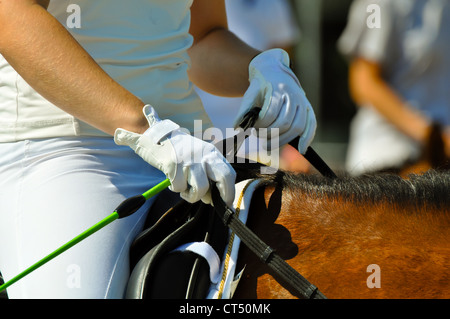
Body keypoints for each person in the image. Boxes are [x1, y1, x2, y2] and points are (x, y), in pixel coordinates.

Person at [0, 0, 316, 298]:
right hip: (69, 153)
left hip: (194, 151)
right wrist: (146, 128)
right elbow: (12, 15)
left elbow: (202, 38)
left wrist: (260, 68)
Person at [196, 0, 312, 172]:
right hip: (193, 145)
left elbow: (284, 71)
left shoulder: (272, 4)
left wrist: (291, 143)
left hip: (258, 148)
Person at [338, 0, 450, 175]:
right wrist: (432, 136)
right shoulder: (379, 4)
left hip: (441, 163)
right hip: (388, 164)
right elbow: (364, 83)